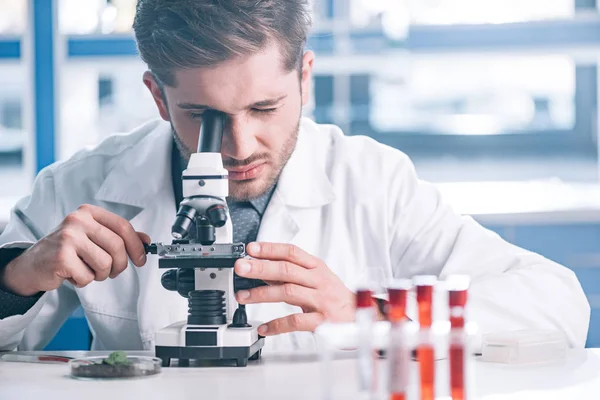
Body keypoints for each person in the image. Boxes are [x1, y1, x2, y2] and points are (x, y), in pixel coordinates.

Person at [0, 0, 590, 353]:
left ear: (304, 77)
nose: (238, 147)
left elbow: (558, 306)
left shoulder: (373, 184)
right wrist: (16, 275)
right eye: (204, 117)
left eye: (264, 109)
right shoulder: (85, 185)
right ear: (157, 96)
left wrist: (373, 315)